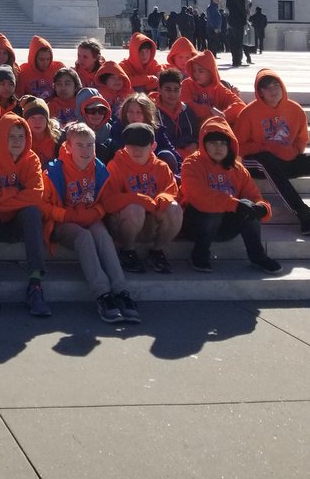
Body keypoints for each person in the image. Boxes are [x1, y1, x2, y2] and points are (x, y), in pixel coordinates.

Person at [41, 122, 141, 324]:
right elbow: (41, 205)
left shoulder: (100, 170)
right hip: (62, 222)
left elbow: (106, 201)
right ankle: (102, 294)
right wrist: (66, 215)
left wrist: (96, 212)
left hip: (90, 216)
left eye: (90, 145)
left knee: (102, 235)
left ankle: (121, 291)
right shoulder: (53, 172)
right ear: (68, 147)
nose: (86, 150)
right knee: (84, 236)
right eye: (80, 145)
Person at [0, 112, 50, 318]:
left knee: (33, 211)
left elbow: (35, 196)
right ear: (1, 137)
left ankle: (35, 285)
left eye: (21, 137)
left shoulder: (31, 159)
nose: (17, 142)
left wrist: (0, 198)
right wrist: (13, 192)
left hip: (18, 222)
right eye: (11, 136)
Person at [179, 118, 281, 273]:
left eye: (223, 143)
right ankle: (199, 254)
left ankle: (258, 256)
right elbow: (199, 196)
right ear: (203, 144)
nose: (218, 148)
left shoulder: (237, 168)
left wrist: (262, 208)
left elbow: (254, 195)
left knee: (249, 207)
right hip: (196, 224)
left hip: (226, 226)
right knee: (215, 210)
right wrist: (234, 204)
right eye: (213, 143)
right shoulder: (191, 163)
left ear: (230, 145)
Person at [234, 69, 310, 232]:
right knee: (266, 159)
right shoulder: (248, 113)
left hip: (286, 160)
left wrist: (293, 151)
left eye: (276, 85)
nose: (273, 90)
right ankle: (303, 213)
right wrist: (266, 147)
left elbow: (302, 139)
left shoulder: (295, 109)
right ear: (260, 92)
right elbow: (238, 145)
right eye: (267, 87)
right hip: (256, 163)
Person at [101, 122, 182, 274]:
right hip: (123, 227)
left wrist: (161, 199)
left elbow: (172, 192)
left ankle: (156, 251)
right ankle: (128, 252)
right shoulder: (115, 165)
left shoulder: (162, 167)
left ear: (153, 146)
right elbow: (108, 203)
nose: (136, 149)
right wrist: (139, 199)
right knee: (135, 208)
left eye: (142, 145)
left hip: (152, 224)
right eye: (131, 145)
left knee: (174, 208)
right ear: (125, 146)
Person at [181, 51, 245, 128]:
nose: (196, 74)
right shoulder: (186, 84)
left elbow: (240, 105)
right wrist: (210, 110)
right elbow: (184, 104)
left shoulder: (218, 88)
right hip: (191, 128)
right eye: (194, 70)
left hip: (214, 129)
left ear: (211, 72)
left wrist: (222, 116)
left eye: (201, 71)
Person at [154, 68, 199, 162]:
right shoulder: (152, 112)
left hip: (190, 156)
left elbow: (195, 135)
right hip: (166, 158)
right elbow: (158, 142)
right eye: (168, 89)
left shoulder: (187, 111)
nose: (172, 94)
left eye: (176, 90)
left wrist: (195, 143)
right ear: (159, 89)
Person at [17, 35, 63, 100]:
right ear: (34, 58)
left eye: (48, 59)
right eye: (41, 59)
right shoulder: (24, 70)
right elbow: (19, 97)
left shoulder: (58, 68)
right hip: (33, 107)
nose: (45, 63)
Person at [224, 0, 254, 67]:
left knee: (239, 41)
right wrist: (242, 13)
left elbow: (245, 5)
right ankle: (236, 61)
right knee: (235, 41)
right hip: (234, 20)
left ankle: (237, 60)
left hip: (241, 20)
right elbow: (232, 6)